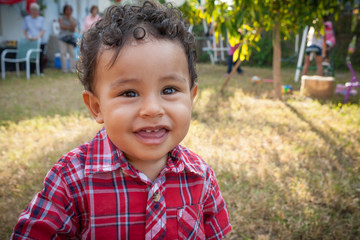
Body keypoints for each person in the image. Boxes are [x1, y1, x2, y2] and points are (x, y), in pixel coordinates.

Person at [11, 1, 232, 239]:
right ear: (97, 107)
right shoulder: (71, 180)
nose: (152, 109)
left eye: (168, 90)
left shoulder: (201, 176)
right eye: (129, 93)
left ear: (191, 97)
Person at [23, 2, 46, 76]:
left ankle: (40, 71)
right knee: (31, 56)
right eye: (33, 9)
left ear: (38, 11)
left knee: (40, 56)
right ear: (30, 10)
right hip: (31, 41)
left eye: (36, 10)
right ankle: (31, 71)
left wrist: (38, 37)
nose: (34, 11)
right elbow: (25, 30)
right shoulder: (27, 19)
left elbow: (43, 30)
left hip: (40, 41)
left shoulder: (41, 19)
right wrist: (28, 37)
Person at [58, 4, 77, 73]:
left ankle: (72, 69)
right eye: (67, 10)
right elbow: (62, 26)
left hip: (71, 38)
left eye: (70, 10)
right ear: (64, 10)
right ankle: (64, 69)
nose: (68, 11)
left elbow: (73, 29)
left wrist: (70, 20)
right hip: (62, 38)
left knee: (72, 53)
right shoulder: (61, 17)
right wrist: (70, 27)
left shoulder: (73, 19)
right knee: (63, 54)